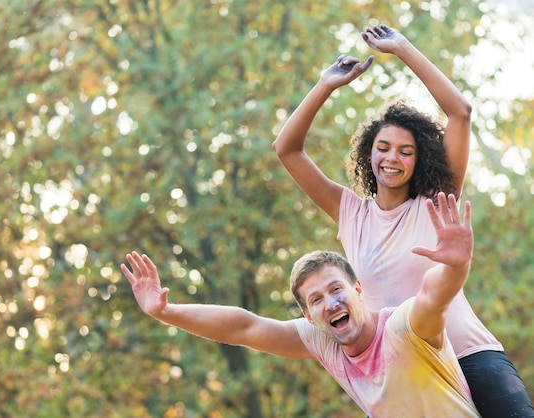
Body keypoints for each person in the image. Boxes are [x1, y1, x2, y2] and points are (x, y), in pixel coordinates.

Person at [272, 23, 533, 416]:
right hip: (405, 374)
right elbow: (287, 150)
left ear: (420, 159)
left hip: (469, 356)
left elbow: (460, 112)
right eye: (383, 148)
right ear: (368, 153)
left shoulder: (436, 199)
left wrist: (402, 47)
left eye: (406, 151)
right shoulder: (350, 211)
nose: (392, 158)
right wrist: (325, 85)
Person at [122, 193, 481, 417]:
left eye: (336, 289)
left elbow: (433, 296)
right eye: (317, 300)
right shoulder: (324, 341)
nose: (331, 303)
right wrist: (165, 312)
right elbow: (243, 327)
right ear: (309, 316)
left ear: (358, 289)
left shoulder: (403, 328)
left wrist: (456, 264)